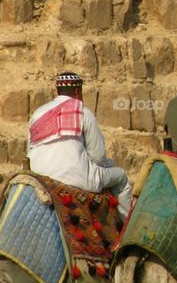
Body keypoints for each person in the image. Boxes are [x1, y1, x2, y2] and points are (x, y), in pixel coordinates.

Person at [27, 72, 132, 218]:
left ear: (57, 91)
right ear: (78, 91)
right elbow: (98, 156)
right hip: (76, 177)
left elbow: (29, 151)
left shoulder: (37, 114)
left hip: (38, 177)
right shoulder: (83, 112)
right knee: (121, 178)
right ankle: (124, 231)